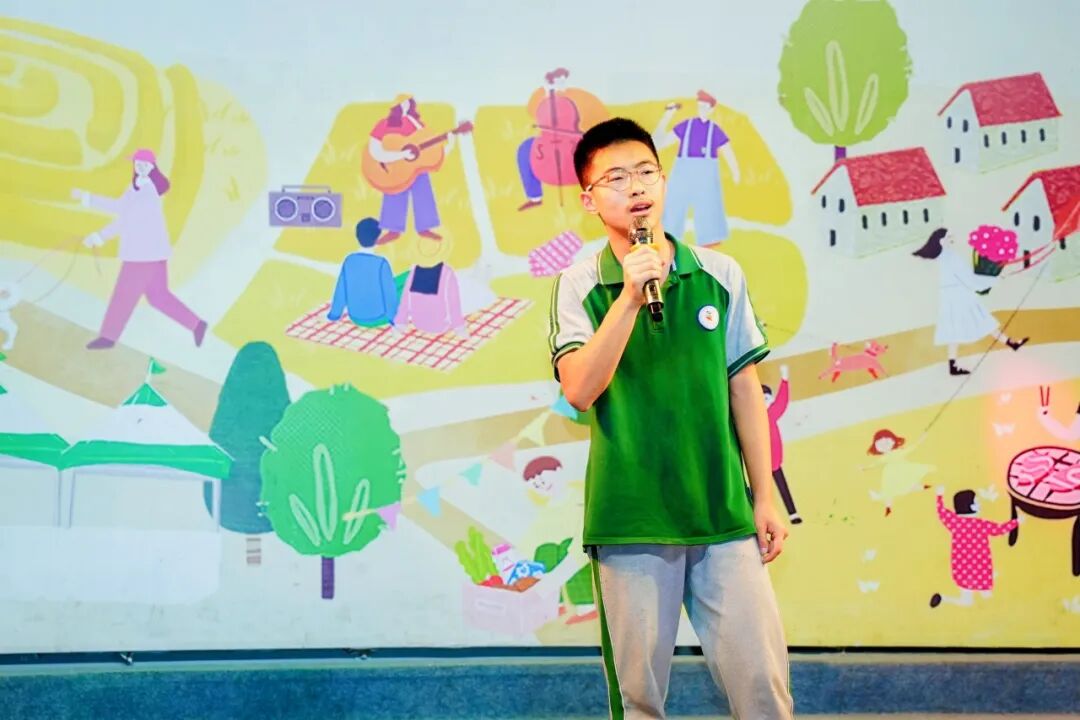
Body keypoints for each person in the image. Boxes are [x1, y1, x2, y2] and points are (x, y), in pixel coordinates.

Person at [547, 117, 794, 719]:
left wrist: (764, 495)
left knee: (763, 687)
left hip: (721, 511)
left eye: (645, 172)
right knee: (641, 700)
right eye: (615, 178)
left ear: (663, 181)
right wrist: (630, 297)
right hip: (631, 518)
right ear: (589, 199)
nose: (635, 187)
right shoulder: (580, 284)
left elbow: (744, 391)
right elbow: (579, 389)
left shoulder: (718, 274)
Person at [73, 149, 207, 350]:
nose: (140, 167)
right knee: (159, 297)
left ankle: (108, 337)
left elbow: (126, 220)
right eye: (137, 164)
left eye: (144, 164)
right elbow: (119, 207)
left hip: (142, 255)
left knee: (123, 295)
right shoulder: (136, 188)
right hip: (152, 253)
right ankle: (196, 324)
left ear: (152, 167)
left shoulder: (147, 193)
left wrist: (99, 236)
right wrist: (88, 199)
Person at [912, 228, 1028, 375]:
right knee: (981, 320)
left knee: (957, 329)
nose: (952, 238)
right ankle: (1010, 343)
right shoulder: (952, 258)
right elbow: (971, 280)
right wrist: (995, 280)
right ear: (942, 241)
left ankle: (1009, 343)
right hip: (960, 297)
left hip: (951, 297)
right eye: (949, 237)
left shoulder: (943, 257)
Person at [652, 90, 740, 245]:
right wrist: (667, 115)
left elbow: (727, 151)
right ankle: (669, 238)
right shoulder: (687, 125)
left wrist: (735, 171)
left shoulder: (714, 130)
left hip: (706, 174)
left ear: (712, 109)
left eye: (705, 106)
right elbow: (659, 143)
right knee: (674, 203)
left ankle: (710, 239)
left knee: (709, 205)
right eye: (700, 106)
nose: (702, 109)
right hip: (683, 172)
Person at [327, 217, 400, 326]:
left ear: (357, 236)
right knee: (402, 282)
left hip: (355, 315)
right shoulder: (382, 263)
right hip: (378, 316)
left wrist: (334, 314)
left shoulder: (349, 260)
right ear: (377, 238)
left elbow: (341, 289)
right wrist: (393, 319)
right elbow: (389, 294)